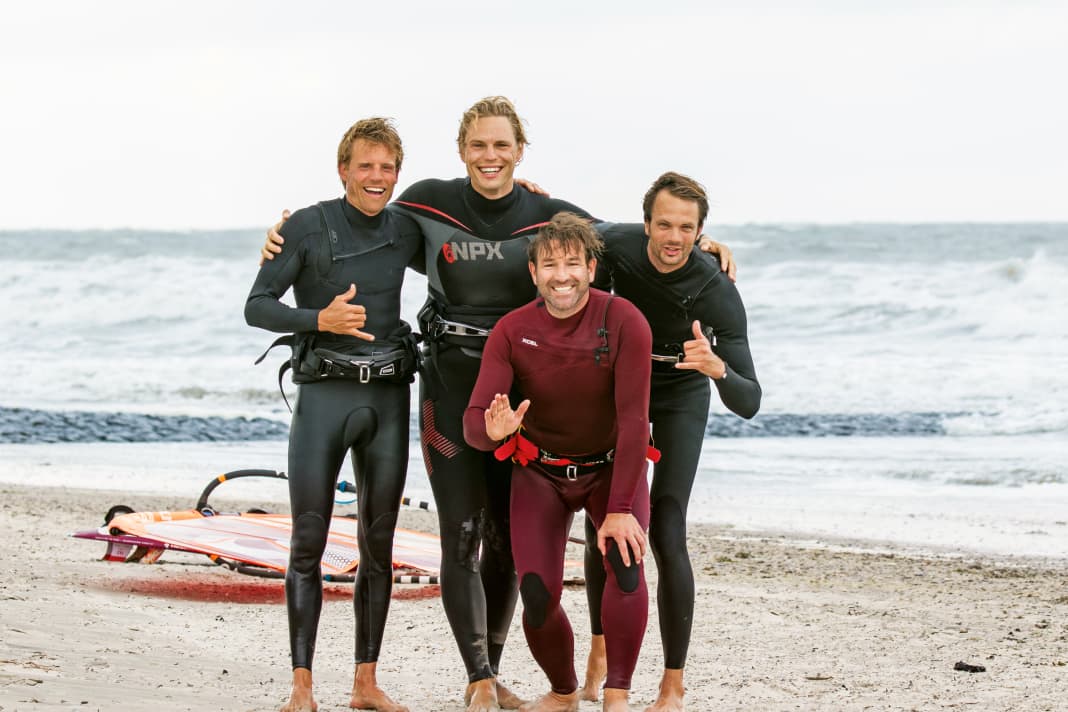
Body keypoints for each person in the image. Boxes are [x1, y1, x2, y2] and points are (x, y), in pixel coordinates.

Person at [258, 97, 737, 712]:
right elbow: (361, 221)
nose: (490, 156)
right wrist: (287, 234)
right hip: (451, 381)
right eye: (479, 145)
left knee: (508, 542)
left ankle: (497, 668)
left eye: (502, 145)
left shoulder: (546, 213)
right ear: (462, 150)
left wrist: (700, 245)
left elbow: (626, 238)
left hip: (522, 386)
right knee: (460, 532)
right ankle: (478, 678)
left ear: (519, 151)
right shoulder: (426, 204)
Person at [244, 117, 423, 712]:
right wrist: (319, 319)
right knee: (308, 543)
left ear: (399, 173)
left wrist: (539, 202)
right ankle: (302, 688)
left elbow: (484, 249)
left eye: (388, 167)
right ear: (343, 169)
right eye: (366, 165)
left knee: (380, 542)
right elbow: (258, 307)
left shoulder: (406, 229)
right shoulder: (306, 227)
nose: (377, 177)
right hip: (324, 397)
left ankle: (365, 683)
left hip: (388, 401)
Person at [579, 172, 761, 712]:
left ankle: (672, 684)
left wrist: (718, 368)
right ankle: (599, 652)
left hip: (682, 390)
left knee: (668, 528)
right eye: (664, 224)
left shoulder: (717, 289)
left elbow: (750, 400)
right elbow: (564, 227)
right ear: (646, 223)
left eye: (687, 228)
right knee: (604, 522)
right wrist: (534, 195)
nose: (673, 238)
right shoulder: (617, 244)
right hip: (625, 386)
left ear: (702, 232)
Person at [464, 212, 654, 712]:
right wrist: (492, 430)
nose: (562, 275)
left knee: (625, 564)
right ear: (533, 273)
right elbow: (473, 422)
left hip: (613, 467)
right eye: (550, 264)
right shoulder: (512, 329)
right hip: (541, 472)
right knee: (537, 592)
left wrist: (618, 510)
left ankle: (616, 695)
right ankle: (565, 692)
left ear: (591, 268)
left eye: (573, 263)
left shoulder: (624, 320)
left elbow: (635, 421)